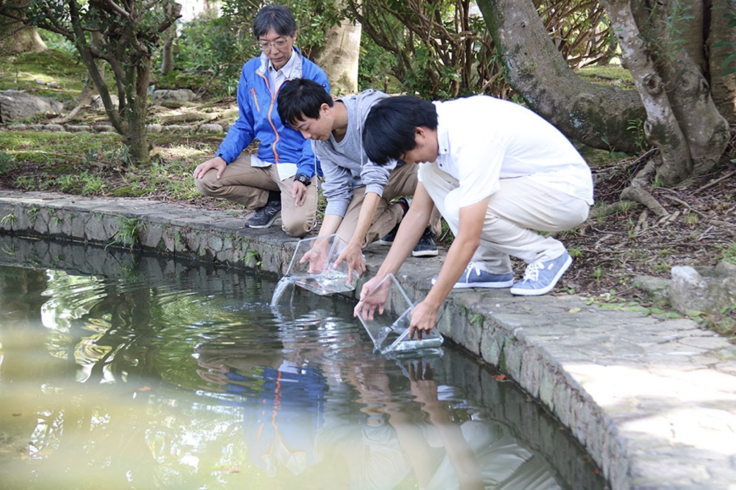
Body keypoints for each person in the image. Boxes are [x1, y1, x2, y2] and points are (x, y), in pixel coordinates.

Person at [355, 95, 594, 337]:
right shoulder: (439, 131)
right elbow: (417, 213)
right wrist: (383, 279)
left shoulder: (472, 137)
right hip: (528, 184)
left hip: (565, 194)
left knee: (459, 204)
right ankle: (492, 266)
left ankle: (546, 253)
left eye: (404, 156)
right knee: (434, 179)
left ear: (419, 133)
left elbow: (469, 236)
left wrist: (430, 305)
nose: (408, 162)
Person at [276, 78, 441, 280]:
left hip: (410, 166)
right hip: (367, 184)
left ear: (325, 109)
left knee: (436, 171)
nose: (306, 136)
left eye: (306, 127)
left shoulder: (369, 112)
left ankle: (426, 227)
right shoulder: (320, 143)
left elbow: (376, 179)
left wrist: (357, 242)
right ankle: (401, 210)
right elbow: (337, 193)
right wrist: (321, 243)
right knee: (338, 249)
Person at [193, 5, 329, 237]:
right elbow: (245, 123)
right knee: (206, 179)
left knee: (296, 227)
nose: (273, 51)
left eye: (279, 42)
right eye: (265, 43)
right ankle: (270, 200)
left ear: (294, 36)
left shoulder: (313, 75)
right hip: (264, 162)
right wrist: (222, 156)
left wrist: (305, 173)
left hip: (296, 165)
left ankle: (289, 199)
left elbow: (318, 132)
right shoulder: (251, 71)